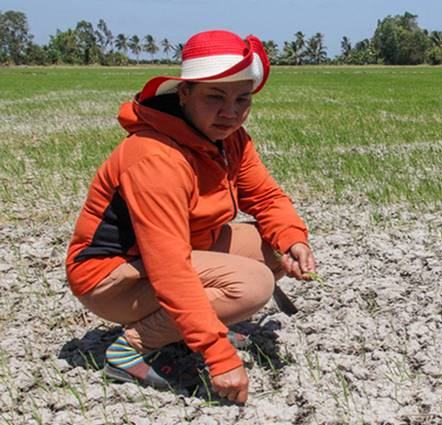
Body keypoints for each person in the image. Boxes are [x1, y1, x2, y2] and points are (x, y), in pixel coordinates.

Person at [65, 30, 316, 405]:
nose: (230, 112)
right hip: (112, 277)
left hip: (174, 251)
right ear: (184, 94)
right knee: (253, 285)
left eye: (242, 99)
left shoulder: (230, 139)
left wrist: (292, 238)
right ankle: (130, 348)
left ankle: (181, 329)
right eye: (215, 96)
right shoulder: (155, 158)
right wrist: (218, 354)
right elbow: (168, 267)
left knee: (272, 249)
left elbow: (264, 196)